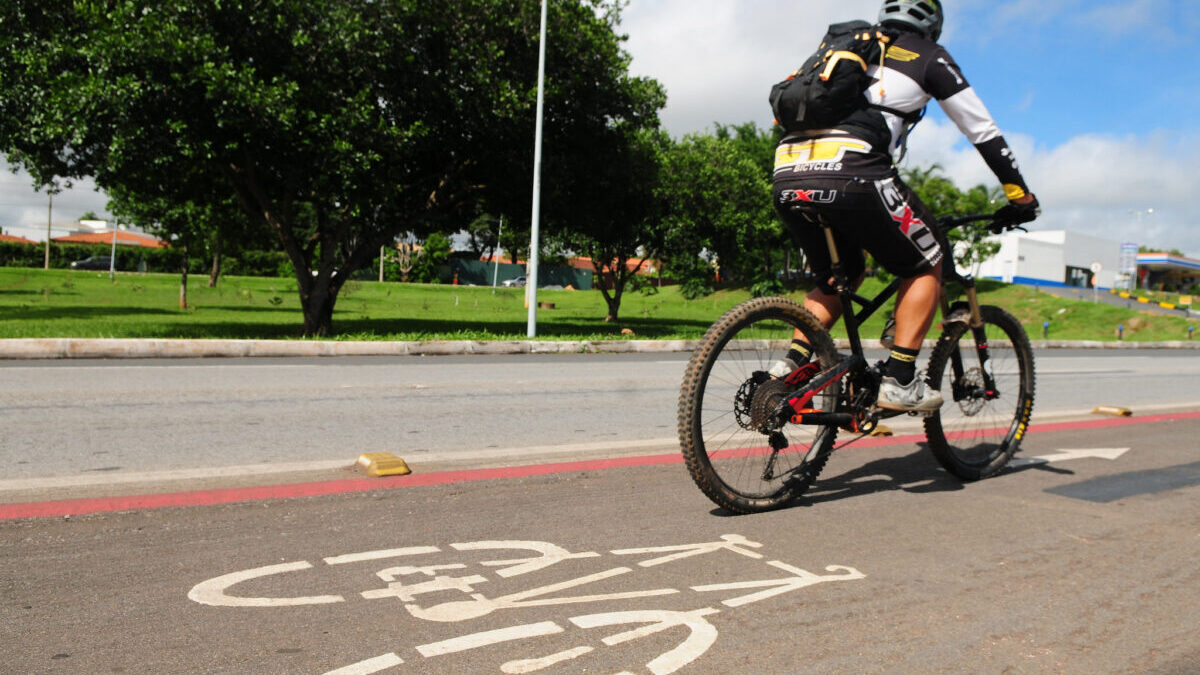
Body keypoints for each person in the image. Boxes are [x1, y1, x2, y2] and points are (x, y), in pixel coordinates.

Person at [770, 0, 1040, 412]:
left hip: (788, 170)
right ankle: (898, 379)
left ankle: (784, 371)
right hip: (854, 166)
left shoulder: (845, 48)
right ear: (933, 25)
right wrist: (1019, 194)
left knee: (838, 275)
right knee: (927, 258)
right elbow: (981, 129)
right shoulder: (928, 55)